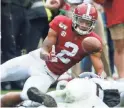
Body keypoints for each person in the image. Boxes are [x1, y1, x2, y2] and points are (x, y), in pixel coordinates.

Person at [0, 3, 105, 107]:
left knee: (29, 94)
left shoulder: (93, 42)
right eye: (81, 21)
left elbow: (98, 66)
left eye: (87, 23)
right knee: (2, 71)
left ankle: (5, 102)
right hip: (36, 60)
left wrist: (100, 76)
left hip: (48, 74)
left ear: (93, 24)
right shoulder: (61, 22)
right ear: (74, 18)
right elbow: (48, 42)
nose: (83, 25)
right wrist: (45, 51)